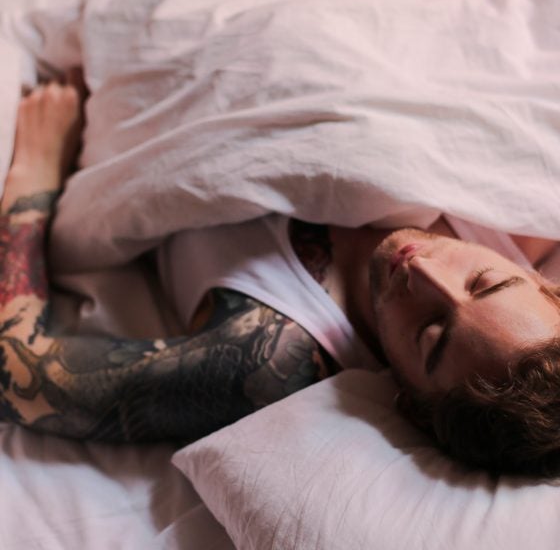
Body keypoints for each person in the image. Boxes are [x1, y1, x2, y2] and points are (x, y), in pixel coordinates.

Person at [2, 77, 560, 477]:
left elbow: (24, 375)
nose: (424, 270)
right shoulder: (525, 204)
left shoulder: (269, 355)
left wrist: (35, 165)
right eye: (486, 281)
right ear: (543, 286)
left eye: (430, 334)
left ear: (410, 402)